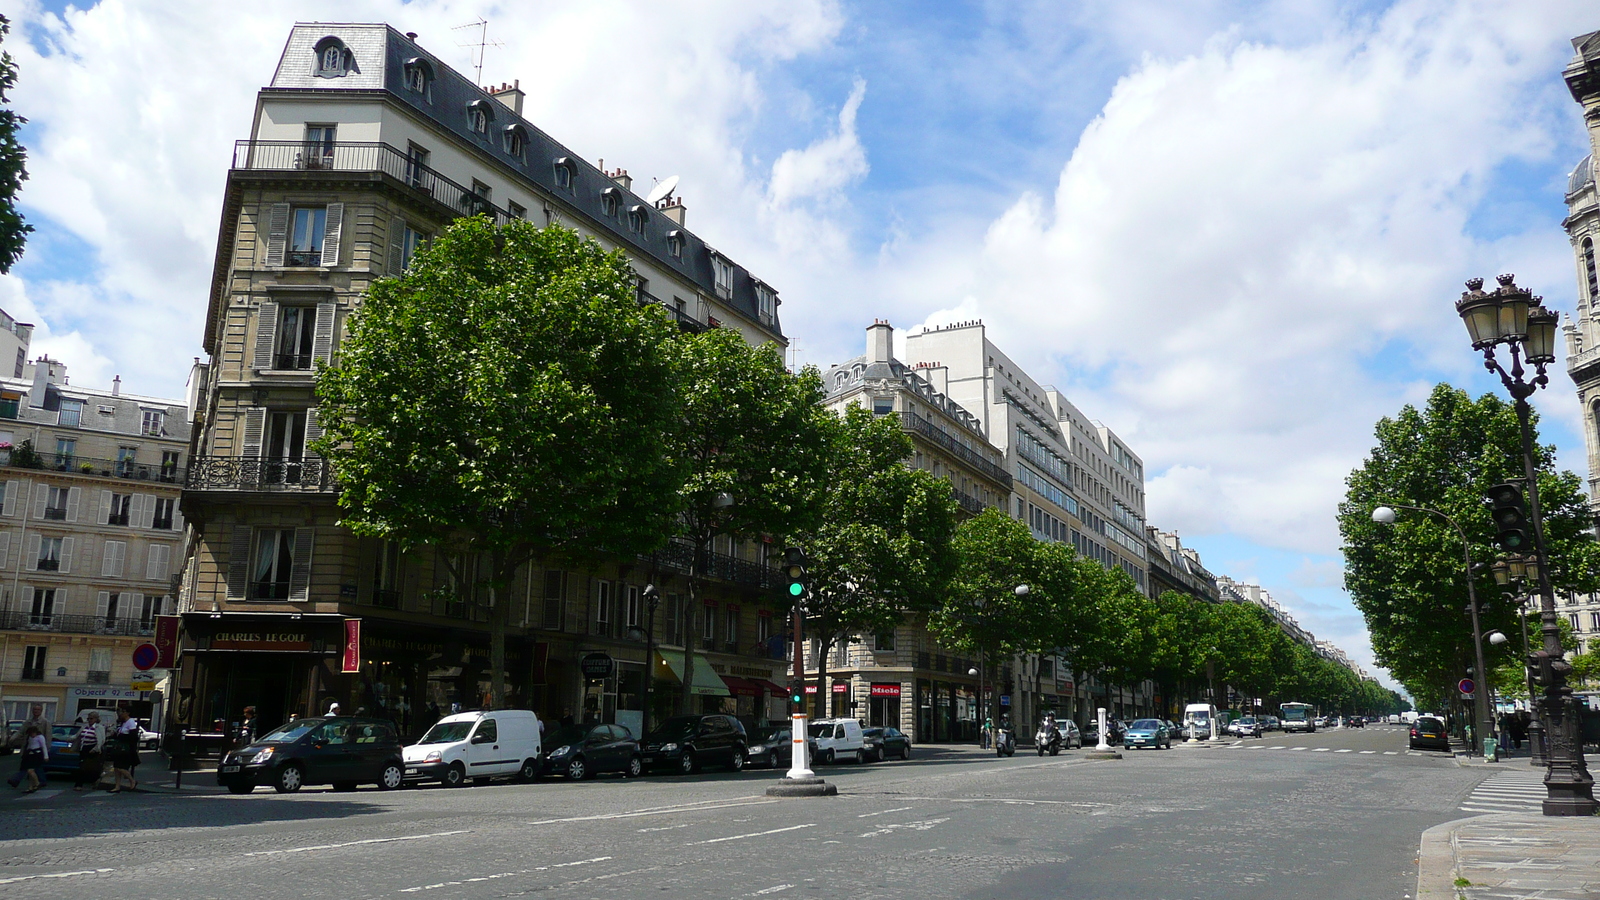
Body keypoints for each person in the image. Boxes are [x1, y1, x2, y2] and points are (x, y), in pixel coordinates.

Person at [7, 704, 50, 788]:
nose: (36, 711)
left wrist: (46, 752)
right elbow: (20, 732)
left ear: (41, 711)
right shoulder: (28, 722)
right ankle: (38, 782)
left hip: (38, 750)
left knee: (32, 767)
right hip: (27, 747)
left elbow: (48, 737)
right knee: (31, 767)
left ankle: (18, 780)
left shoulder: (45, 722)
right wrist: (12, 739)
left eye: (38, 709)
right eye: (34, 709)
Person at [110, 708, 140, 793]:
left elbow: (133, 736)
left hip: (125, 748)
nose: (120, 714)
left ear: (127, 713)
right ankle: (117, 786)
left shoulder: (130, 722)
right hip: (120, 748)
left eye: (122, 712)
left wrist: (122, 737)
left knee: (121, 767)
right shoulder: (123, 723)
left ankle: (132, 780)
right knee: (116, 767)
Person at [73, 712, 106, 792]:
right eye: (88, 718)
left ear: (96, 719)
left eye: (91, 718)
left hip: (93, 749)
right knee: (82, 767)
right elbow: (77, 736)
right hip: (84, 748)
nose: (89, 720)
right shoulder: (85, 726)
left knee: (90, 768)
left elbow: (102, 740)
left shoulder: (99, 727)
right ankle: (79, 784)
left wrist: (95, 749)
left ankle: (92, 781)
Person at [16, 725, 46, 792]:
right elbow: (29, 745)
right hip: (30, 755)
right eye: (30, 734)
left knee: (30, 770)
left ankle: (37, 783)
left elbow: (44, 746)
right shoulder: (30, 737)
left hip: (37, 755)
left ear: (35, 732)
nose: (32, 735)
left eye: (32, 733)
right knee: (30, 772)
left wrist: (46, 756)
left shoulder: (40, 737)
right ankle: (31, 787)